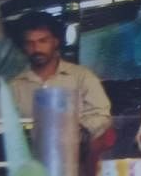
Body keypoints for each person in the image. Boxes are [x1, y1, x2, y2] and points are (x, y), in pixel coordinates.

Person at [8, 11, 111, 141]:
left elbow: (101, 115)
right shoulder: (14, 87)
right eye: (30, 43)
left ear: (55, 42)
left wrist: (77, 132)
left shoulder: (82, 77)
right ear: (23, 46)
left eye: (43, 41)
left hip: (75, 154)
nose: (36, 48)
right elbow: (0, 126)